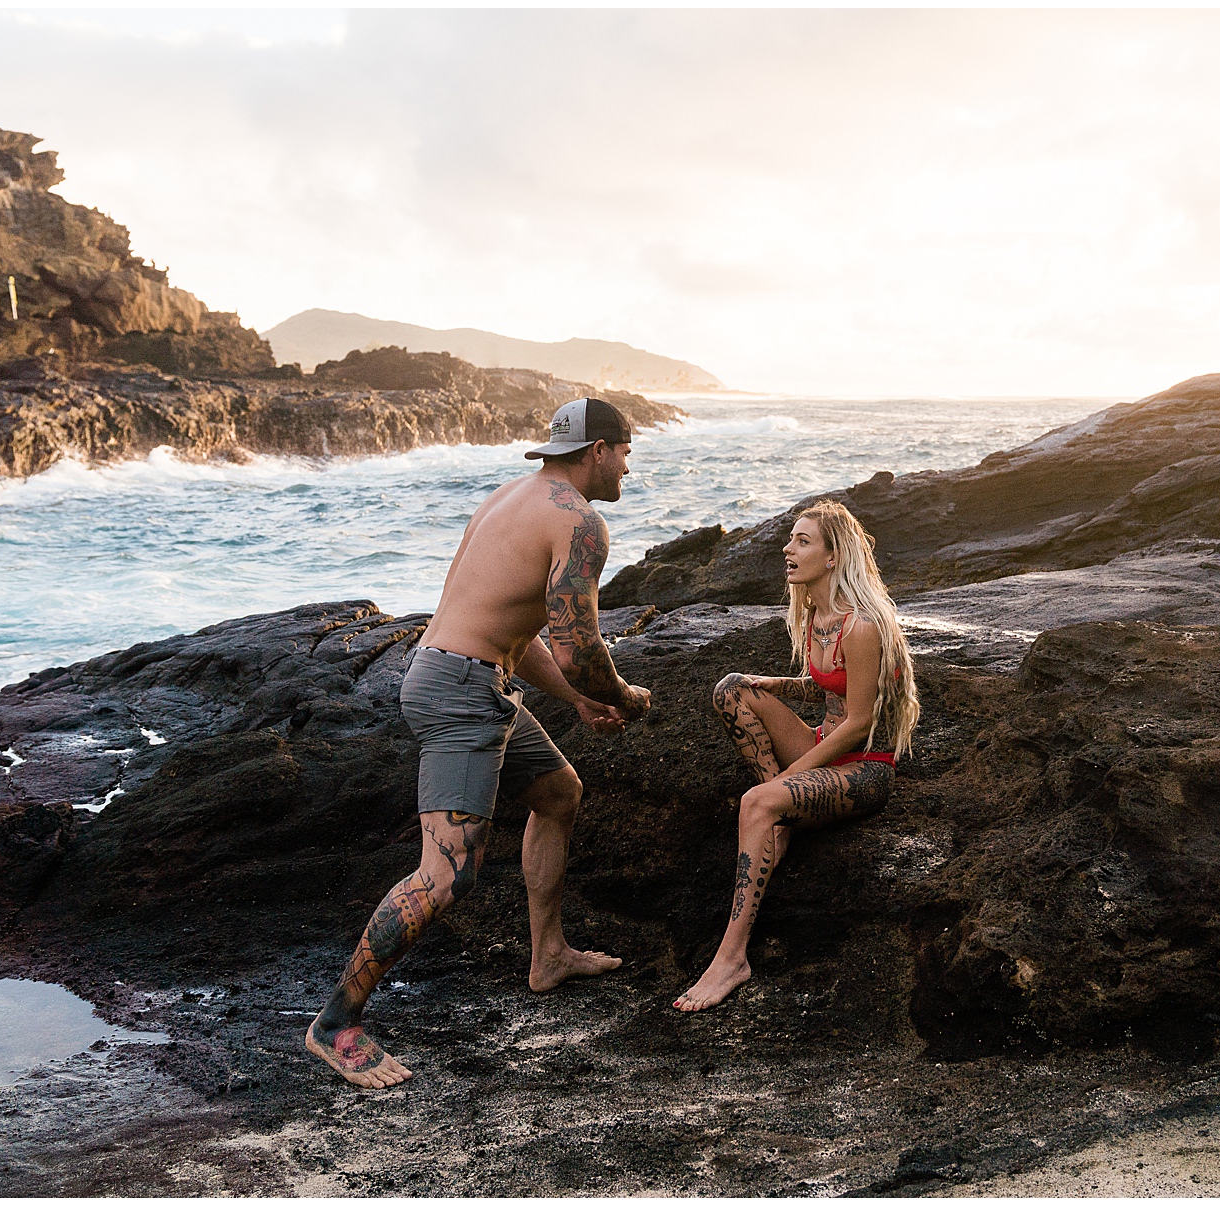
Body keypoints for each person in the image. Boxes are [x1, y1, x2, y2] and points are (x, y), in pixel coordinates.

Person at [307, 397, 653, 1088]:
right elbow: (580, 647)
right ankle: (335, 1024)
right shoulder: (580, 523)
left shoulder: (512, 497)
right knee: (447, 873)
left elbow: (514, 637)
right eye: (625, 452)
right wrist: (620, 694)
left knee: (559, 793)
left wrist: (577, 699)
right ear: (597, 451)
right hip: (459, 692)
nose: (626, 467)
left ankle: (547, 955)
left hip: (461, 675)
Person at [675, 500, 919, 1012]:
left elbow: (856, 723)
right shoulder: (815, 612)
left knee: (756, 804)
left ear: (833, 557)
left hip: (864, 770)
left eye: (803, 541)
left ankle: (732, 958)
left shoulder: (863, 625)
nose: (787, 549)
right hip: (820, 749)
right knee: (731, 688)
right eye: (792, 539)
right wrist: (775, 685)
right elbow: (830, 688)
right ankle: (781, 816)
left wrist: (787, 777)